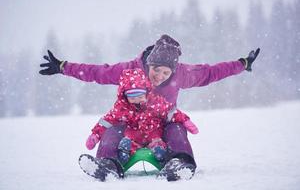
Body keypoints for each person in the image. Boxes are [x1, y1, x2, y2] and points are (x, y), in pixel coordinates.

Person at [39, 34, 260, 181]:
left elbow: (211, 72)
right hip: (129, 126)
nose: (160, 76)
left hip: (162, 126)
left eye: (166, 73)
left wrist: (242, 64)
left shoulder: (182, 74)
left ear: (173, 71)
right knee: (113, 127)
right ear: (148, 64)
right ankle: (107, 165)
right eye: (156, 70)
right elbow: (98, 72)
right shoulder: (130, 70)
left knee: (176, 128)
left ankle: (180, 163)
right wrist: (63, 67)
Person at [85, 68, 198, 167]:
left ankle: (160, 152)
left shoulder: (155, 102)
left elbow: (171, 112)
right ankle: (122, 153)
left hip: (154, 131)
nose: (137, 100)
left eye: (140, 96)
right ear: (125, 96)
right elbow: (107, 121)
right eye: (132, 98)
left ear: (146, 93)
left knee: (157, 140)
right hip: (134, 134)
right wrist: (95, 135)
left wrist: (186, 121)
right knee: (128, 138)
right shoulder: (122, 107)